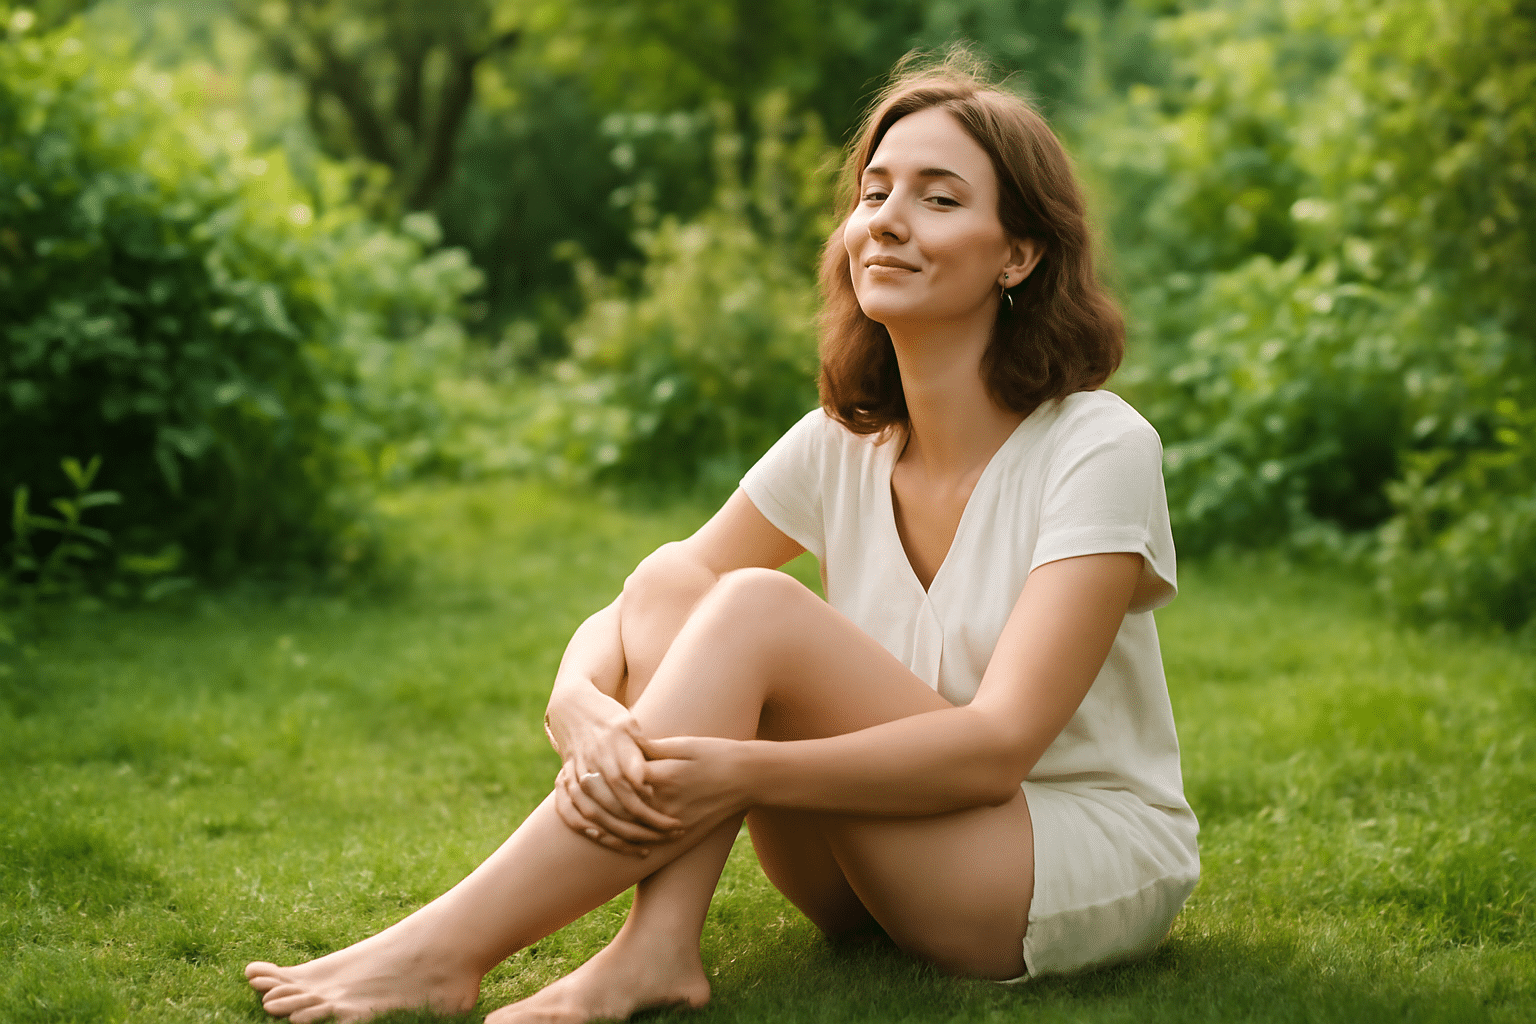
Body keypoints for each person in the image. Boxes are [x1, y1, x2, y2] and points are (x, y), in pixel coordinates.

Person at [245, 52, 1200, 1024]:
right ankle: (657, 944)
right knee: (677, 585)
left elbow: (998, 749)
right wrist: (574, 696)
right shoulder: (844, 441)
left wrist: (743, 769)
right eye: (874, 192)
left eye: (940, 198)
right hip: (875, 862)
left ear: (1019, 253)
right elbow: (655, 589)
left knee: (756, 606)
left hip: (1044, 859)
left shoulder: (1097, 445)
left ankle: (444, 950)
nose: (888, 220)